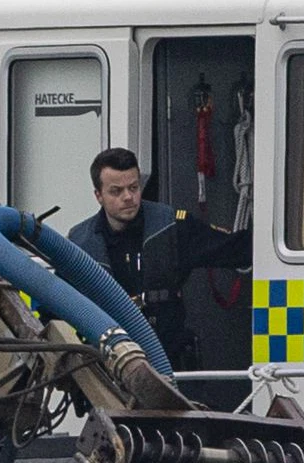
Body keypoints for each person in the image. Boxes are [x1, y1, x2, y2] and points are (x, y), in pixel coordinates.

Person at [86, 147, 251, 364]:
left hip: (167, 359)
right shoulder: (81, 243)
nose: (128, 197)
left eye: (133, 187)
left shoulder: (172, 227)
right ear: (98, 195)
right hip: (106, 362)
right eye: (116, 191)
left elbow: (237, 249)